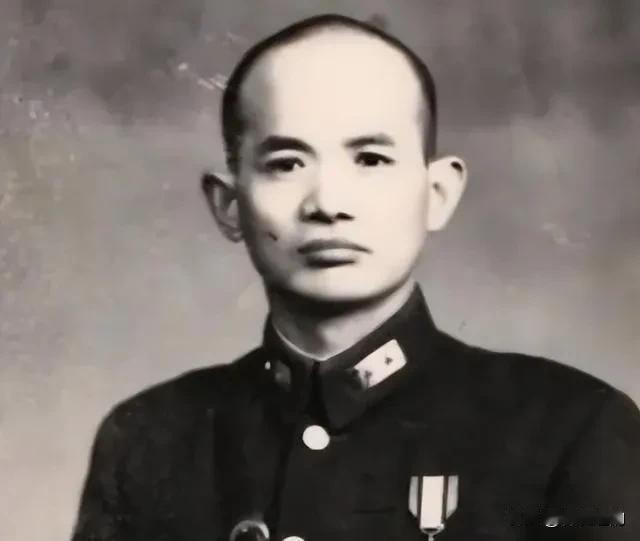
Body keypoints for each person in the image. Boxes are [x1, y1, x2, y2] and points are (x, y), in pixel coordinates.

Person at [71, 14, 640, 541]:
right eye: (286, 163)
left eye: (370, 159)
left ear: (437, 193)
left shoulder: (574, 428)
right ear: (229, 204)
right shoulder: (147, 439)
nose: (328, 204)